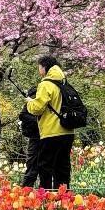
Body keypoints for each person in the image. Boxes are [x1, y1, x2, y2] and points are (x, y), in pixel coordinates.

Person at [25, 55, 74, 190]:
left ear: (44, 67)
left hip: (51, 131)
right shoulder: (64, 83)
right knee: (63, 166)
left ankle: (45, 196)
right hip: (68, 131)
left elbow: (37, 108)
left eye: (39, 67)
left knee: (45, 166)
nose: (39, 70)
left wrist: (30, 103)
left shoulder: (46, 84)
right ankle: (63, 197)